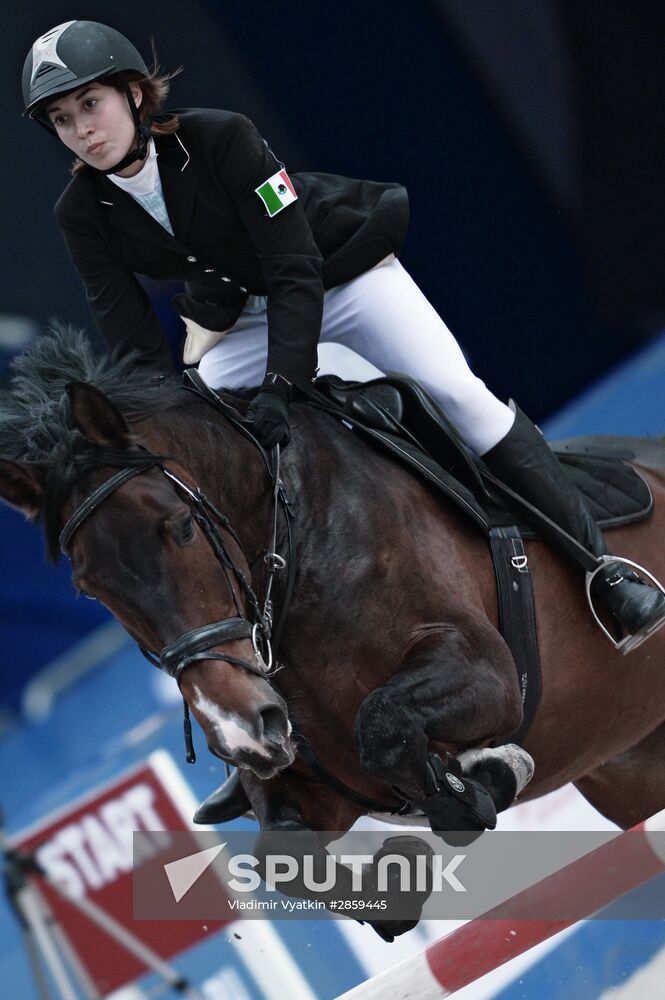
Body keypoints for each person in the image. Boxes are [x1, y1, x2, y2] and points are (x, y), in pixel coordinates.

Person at [22, 20, 665, 652]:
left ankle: (603, 569)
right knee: (213, 423)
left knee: (460, 397)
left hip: (341, 279)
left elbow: (292, 266)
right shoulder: (80, 213)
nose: (81, 129)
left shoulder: (222, 137)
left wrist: (282, 384)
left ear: (134, 94)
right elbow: (136, 348)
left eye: (90, 103)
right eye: (61, 118)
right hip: (240, 320)